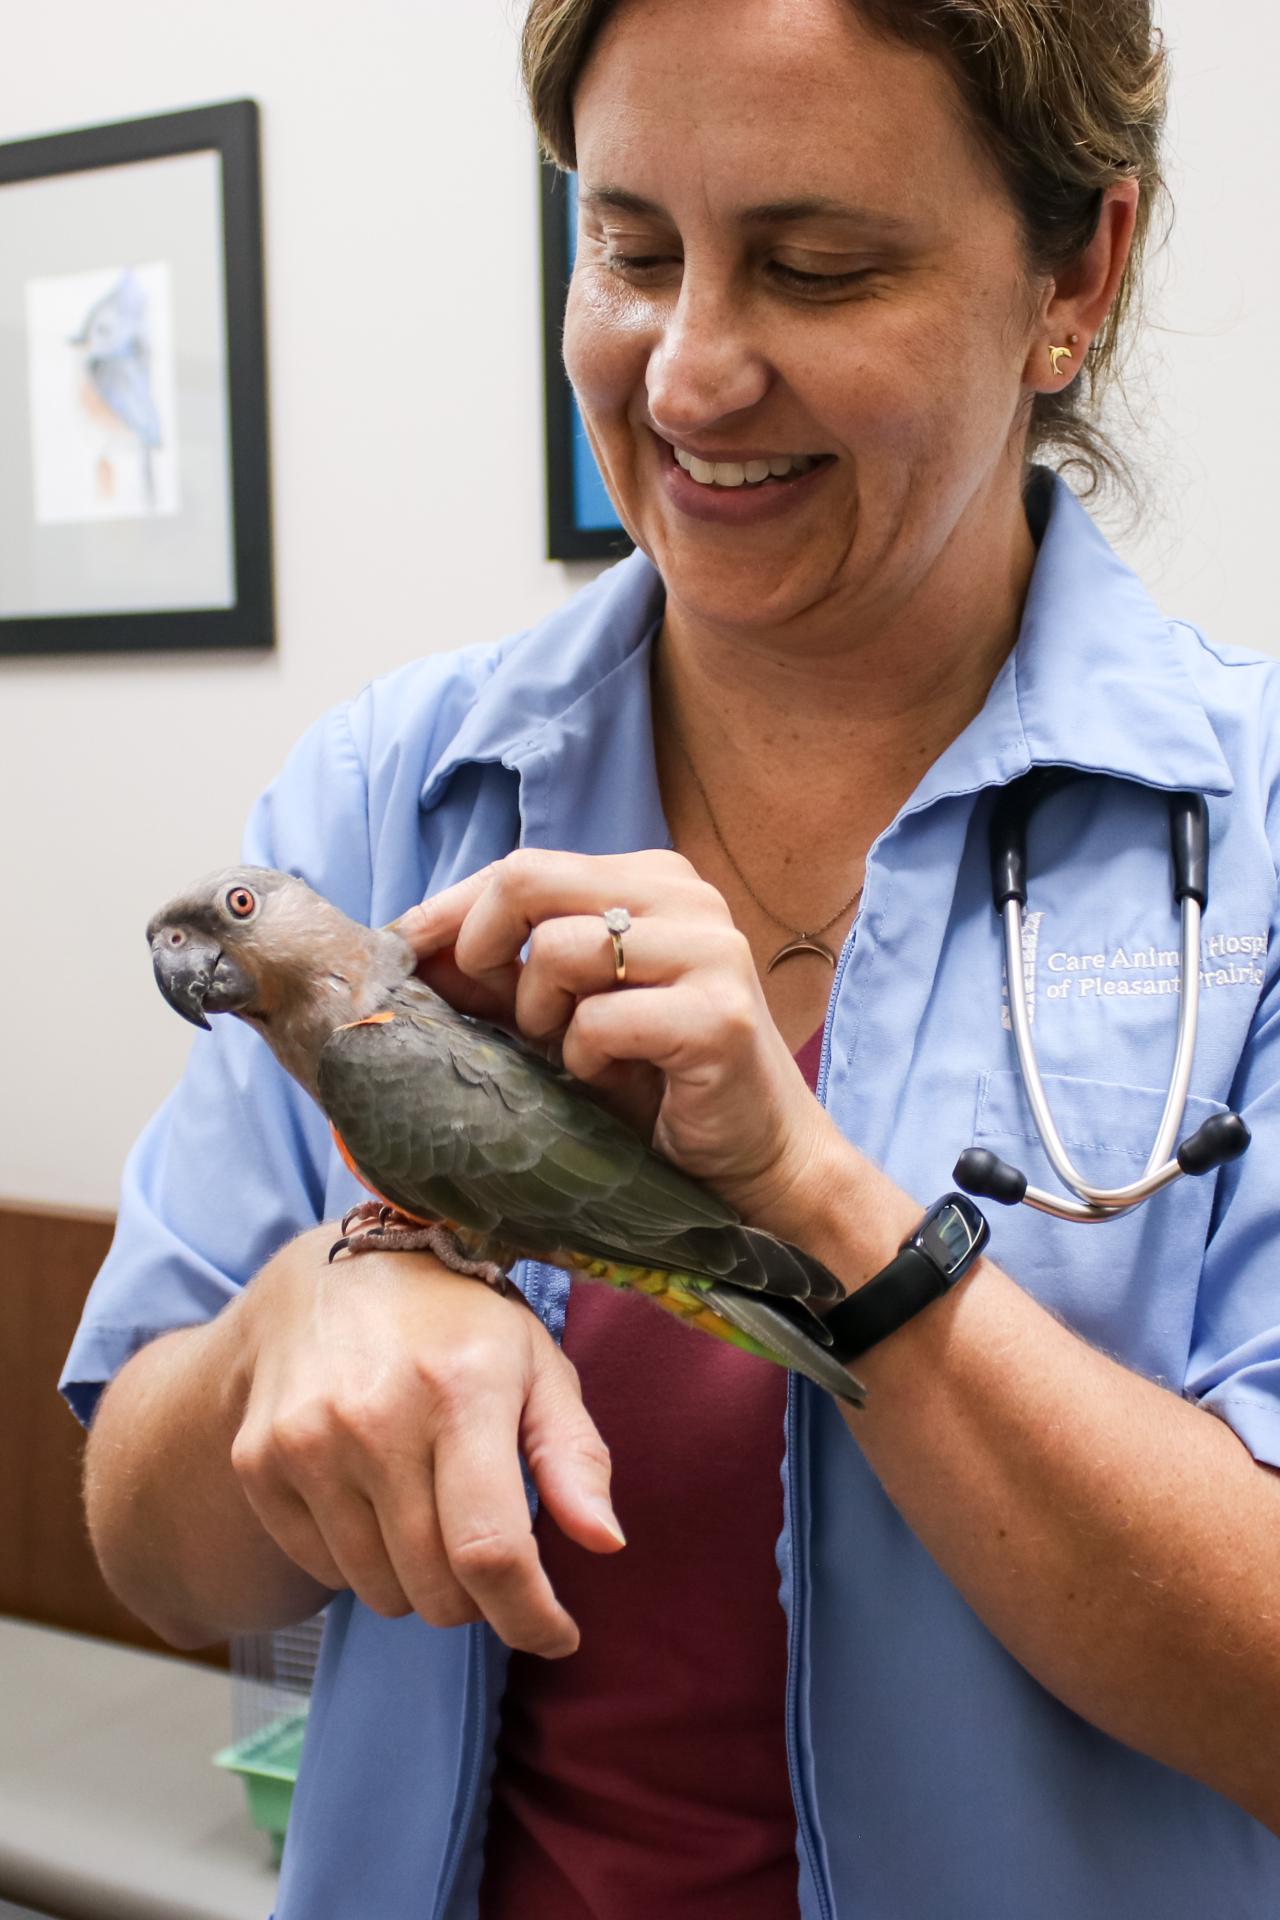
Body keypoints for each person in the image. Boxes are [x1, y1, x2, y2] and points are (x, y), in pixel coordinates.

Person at [63, 1, 1280, 1915]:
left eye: (818, 266)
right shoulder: (388, 796)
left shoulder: (1255, 842)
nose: (691, 372)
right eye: (629, 249)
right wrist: (305, 1306)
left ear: (1081, 270)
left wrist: (818, 1202)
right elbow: (153, 1546)